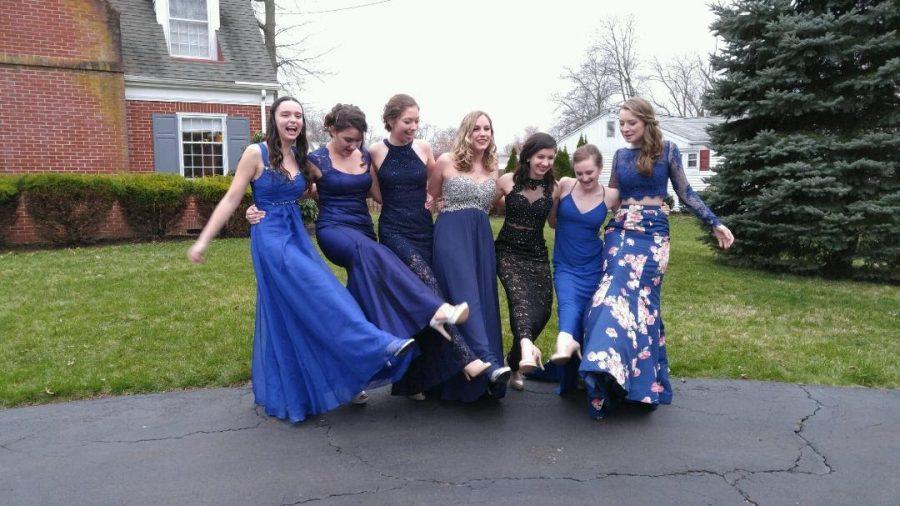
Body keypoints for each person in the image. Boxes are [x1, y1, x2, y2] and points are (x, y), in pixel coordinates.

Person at [187, 96, 416, 423]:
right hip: (271, 239)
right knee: (325, 293)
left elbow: (318, 190)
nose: (293, 120)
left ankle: (339, 378)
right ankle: (378, 346)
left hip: (295, 233)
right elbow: (232, 197)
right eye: (285, 114)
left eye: (297, 115)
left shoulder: (301, 158)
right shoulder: (257, 153)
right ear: (274, 119)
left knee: (298, 311)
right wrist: (204, 240)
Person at [580, 97, 734, 419]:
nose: (624, 129)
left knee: (644, 306)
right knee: (609, 297)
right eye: (621, 123)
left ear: (647, 122)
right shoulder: (620, 156)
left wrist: (715, 222)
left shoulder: (668, 152)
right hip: (620, 232)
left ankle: (642, 386)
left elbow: (686, 193)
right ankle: (603, 371)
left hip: (653, 237)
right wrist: (575, 199)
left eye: (630, 123)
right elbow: (611, 198)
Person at [368, 94, 491, 400]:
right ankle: (467, 360)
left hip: (425, 229)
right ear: (392, 120)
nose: (413, 127)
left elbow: (437, 184)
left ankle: (416, 380)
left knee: (422, 301)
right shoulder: (375, 151)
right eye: (408, 121)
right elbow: (373, 194)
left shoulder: (423, 148)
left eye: (416, 121)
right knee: (430, 290)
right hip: (395, 230)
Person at [429, 111, 513, 402]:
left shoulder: (493, 169)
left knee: (483, 298)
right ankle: (488, 363)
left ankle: (481, 380)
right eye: (476, 128)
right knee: (465, 297)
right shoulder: (446, 161)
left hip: (481, 238)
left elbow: (497, 203)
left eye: (487, 128)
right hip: (451, 234)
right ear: (466, 131)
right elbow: (430, 197)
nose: (482, 133)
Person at [543, 144, 618, 395]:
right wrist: (554, 202)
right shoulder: (565, 184)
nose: (585, 178)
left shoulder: (611, 195)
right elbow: (552, 223)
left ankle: (584, 379)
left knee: (588, 321)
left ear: (600, 169)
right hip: (565, 264)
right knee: (568, 306)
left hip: (594, 267)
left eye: (590, 173)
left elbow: (627, 221)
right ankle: (564, 349)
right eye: (580, 173)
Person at [494, 133, 560, 391]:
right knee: (520, 301)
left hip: (536, 252)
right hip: (507, 251)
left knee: (542, 310)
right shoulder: (507, 180)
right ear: (529, 156)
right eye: (540, 157)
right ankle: (526, 348)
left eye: (550, 158)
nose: (545, 162)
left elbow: (554, 222)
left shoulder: (555, 188)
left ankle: (513, 363)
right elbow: (486, 205)